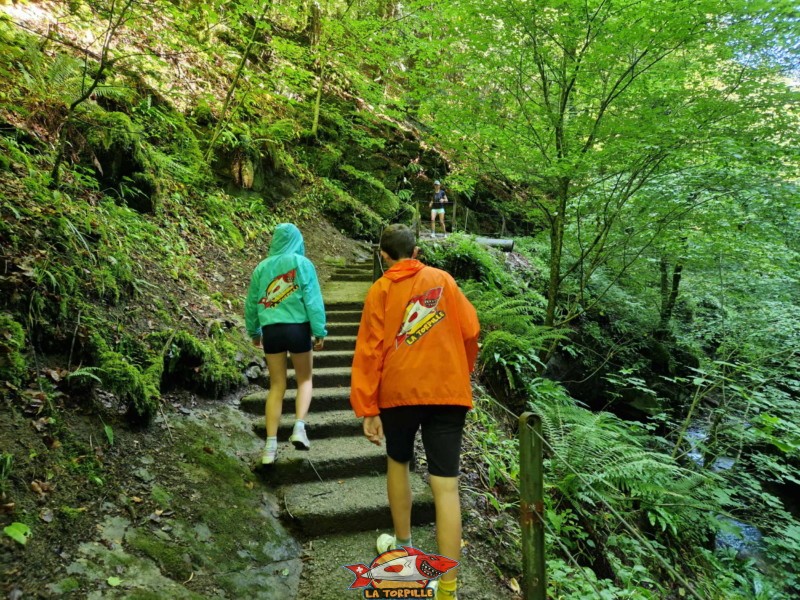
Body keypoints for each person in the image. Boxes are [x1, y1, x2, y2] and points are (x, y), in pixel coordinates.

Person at [350, 224, 479, 600]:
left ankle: (403, 546)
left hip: (399, 391)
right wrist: (459, 371)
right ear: (417, 250)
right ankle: (448, 587)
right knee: (446, 486)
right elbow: (471, 330)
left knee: (398, 462)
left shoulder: (380, 289)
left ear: (382, 255)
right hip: (447, 392)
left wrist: (368, 407)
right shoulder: (442, 279)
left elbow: (370, 350)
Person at [245, 223, 327, 465]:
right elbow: (312, 299)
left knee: (277, 386)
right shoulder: (303, 264)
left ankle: (270, 446)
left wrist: (254, 331)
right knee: (305, 380)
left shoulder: (262, 267)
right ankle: (299, 428)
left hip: (271, 331)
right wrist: (319, 330)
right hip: (298, 329)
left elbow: (252, 303)